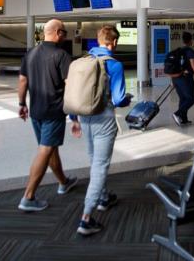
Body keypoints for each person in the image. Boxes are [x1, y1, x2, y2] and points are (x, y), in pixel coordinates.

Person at [71, 24, 132, 236]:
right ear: (113, 42)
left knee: (93, 159)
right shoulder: (114, 65)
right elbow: (118, 99)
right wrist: (127, 99)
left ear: (98, 40)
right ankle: (86, 218)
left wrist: (74, 119)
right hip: (103, 119)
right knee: (100, 165)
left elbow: (74, 92)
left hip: (83, 116)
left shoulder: (82, 61)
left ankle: (104, 197)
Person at [17, 19, 78, 212]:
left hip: (36, 111)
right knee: (45, 150)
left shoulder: (30, 53)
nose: (66, 37)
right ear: (58, 33)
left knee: (50, 149)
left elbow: (22, 81)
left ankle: (63, 182)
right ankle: (28, 197)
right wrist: (75, 116)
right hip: (53, 111)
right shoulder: (62, 55)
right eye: (65, 33)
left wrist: (21, 104)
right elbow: (71, 86)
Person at [172, 31, 194, 127]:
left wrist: (172, 80)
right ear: (191, 41)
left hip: (176, 78)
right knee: (192, 98)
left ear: (183, 41)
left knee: (183, 98)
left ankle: (183, 119)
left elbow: (174, 66)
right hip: (185, 79)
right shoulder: (190, 51)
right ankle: (177, 114)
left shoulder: (179, 51)